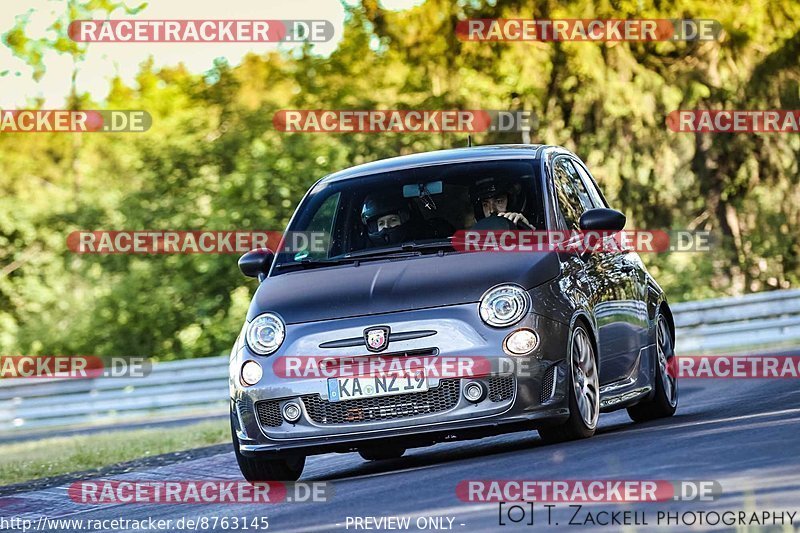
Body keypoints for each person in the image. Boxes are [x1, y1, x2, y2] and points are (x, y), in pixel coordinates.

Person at [470, 177, 534, 229]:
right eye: (485, 205)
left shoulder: (522, 229)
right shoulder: (476, 237)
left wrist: (527, 229)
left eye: (499, 202)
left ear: (511, 203)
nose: (492, 210)